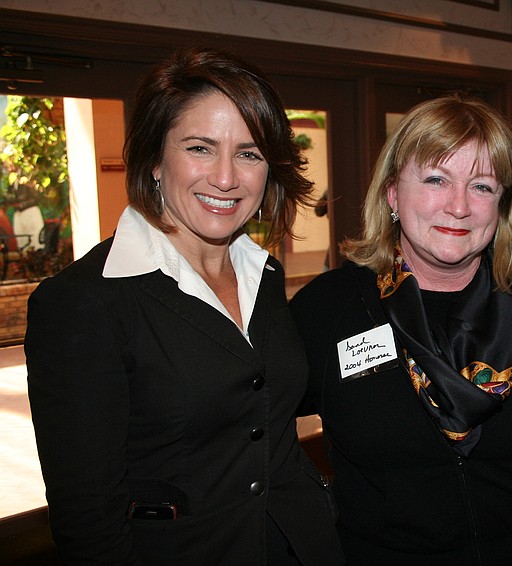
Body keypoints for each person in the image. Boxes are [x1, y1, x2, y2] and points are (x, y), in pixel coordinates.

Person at [25, 47, 344, 565]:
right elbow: (86, 518)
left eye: (249, 153)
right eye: (200, 148)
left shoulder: (263, 274)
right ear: (154, 158)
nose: (225, 177)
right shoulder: (84, 303)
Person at [289, 95, 512, 565]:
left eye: (481, 186)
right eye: (436, 179)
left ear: (502, 203)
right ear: (393, 193)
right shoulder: (327, 310)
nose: (458, 207)